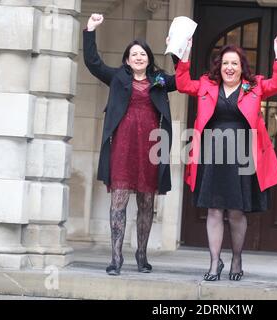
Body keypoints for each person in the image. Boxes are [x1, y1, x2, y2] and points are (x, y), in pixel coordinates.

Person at [175, 37, 277, 281]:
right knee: (214, 210)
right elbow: (182, 84)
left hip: (242, 156)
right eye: (225, 63)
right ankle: (215, 262)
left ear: (241, 66)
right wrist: (185, 55)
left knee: (236, 211)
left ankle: (236, 259)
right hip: (212, 154)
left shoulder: (253, 86)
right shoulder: (207, 84)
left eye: (234, 63)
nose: (229, 67)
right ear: (219, 66)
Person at [83, 14, 177, 276]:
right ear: (127, 59)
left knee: (147, 203)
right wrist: (90, 30)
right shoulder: (117, 78)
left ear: (149, 58)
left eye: (143, 54)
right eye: (134, 54)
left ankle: (141, 255)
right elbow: (93, 62)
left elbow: (182, 80)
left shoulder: (159, 80)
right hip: (123, 147)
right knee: (119, 202)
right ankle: (115, 258)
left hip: (150, 148)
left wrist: (178, 49)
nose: (138, 57)